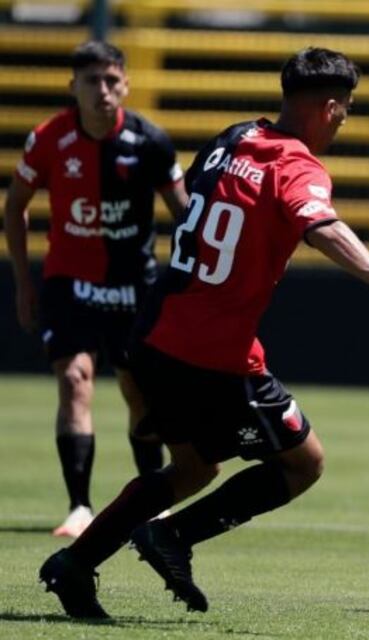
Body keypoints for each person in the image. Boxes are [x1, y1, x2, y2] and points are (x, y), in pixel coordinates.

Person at [37, 46, 369, 619]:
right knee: (304, 463)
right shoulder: (297, 165)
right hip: (215, 355)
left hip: (157, 334)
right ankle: (172, 538)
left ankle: (75, 564)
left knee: (192, 468)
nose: (343, 121)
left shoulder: (231, 138)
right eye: (346, 111)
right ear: (329, 108)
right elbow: (322, 226)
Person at [4, 41, 188, 539]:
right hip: (69, 283)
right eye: (92, 81)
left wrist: (184, 287)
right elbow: (14, 207)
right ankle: (80, 506)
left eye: (111, 81)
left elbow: (186, 217)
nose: (103, 91)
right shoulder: (47, 139)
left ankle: (151, 501)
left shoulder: (150, 141)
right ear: (74, 88)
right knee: (74, 380)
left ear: (125, 84)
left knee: (138, 394)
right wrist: (24, 281)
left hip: (134, 287)